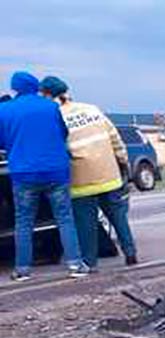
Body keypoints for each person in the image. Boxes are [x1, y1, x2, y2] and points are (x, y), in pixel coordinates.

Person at [41, 76, 139, 267]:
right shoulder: (91, 109)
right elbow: (115, 138)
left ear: (47, 95)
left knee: (86, 223)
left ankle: (90, 261)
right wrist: (123, 163)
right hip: (109, 174)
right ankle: (130, 252)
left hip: (81, 179)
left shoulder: (54, 116)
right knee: (118, 217)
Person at [0, 71, 89, 281]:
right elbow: (63, 133)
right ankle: (75, 264)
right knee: (65, 218)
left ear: (15, 88)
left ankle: (22, 270)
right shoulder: (51, 107)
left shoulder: (4, 110)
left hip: (24, 172)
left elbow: (2, 142)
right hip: (56, 170)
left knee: (23, 221)